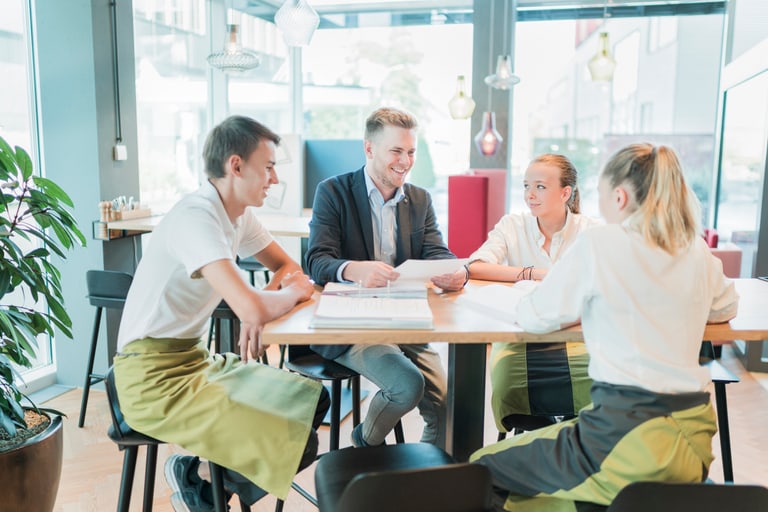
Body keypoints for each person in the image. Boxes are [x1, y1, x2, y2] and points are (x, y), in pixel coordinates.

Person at [470, 143, 739, 511]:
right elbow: (727, 305)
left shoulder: (599, 242)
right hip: (694, 438)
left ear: (620, 196)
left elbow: (534, 315)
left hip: (627, 436)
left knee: (479, 471)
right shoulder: (693, 249)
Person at [113, 115, 330, 511]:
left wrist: (261, 305)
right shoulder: (196, 216)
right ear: (235, 166)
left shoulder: (237, 215)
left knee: (315, 402)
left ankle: (199, 479)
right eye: (268, 167)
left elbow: (287, 267)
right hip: (151, 379)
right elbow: (287, 286)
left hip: (196, 361)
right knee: (304, 442)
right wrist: (269, 302)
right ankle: (207, 492)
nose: (275, 179)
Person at [305, 107, 466, 449]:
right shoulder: (333, 192)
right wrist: (354, 269)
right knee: (407, 385)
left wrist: (452, 271)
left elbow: (437, 251)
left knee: (446, 404)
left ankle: (423, 477)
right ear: (369, 149)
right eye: (396, 151)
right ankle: (364, 448)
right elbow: (317, 260)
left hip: (408, 319)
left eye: (411, 152)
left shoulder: (419, 198)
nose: (405, 161)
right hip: (355, 324)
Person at [453, 154, 601, 433]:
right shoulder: (513, 225)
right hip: (518, 337)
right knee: (510, 385)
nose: (530, 195)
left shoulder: (590, 231)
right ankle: (544, 441)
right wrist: (532, 273)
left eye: (540, 187)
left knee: (598, 381)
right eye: (525, 186)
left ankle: (570, 443)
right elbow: (476, 266)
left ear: (565, 192)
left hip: (575, 337)